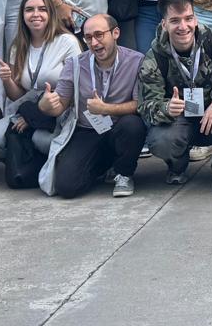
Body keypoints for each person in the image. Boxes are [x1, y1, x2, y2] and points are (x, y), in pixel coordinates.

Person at [137, 0, 212, 195]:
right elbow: (146, 106)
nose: (183, 27)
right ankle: (177, 166)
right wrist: (166, 108)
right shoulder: (154, 58)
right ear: (164, 24)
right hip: (180, 121)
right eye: (175, 21)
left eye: (188, 18)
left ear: (195, 19)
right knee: (160, 140)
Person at [35, 14, 147, 198]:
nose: (94, 43)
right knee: (66, 187)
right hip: (87, 130)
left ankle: (124, 173)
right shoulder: (75, 64)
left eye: (99, 35)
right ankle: (102, 166)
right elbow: (59, 105)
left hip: (119, 128)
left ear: (116, 33)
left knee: (133, 125)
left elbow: (139, 105)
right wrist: (45, 104)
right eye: (88, 38)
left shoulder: (136, 61)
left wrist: (105, 109)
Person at [0, 0, 80, 186]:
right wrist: (7, 80)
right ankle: (28, 161)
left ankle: (38, 161)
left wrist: (34, 116)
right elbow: (17, 95)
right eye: (29, 10)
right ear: (22, 15)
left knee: (43, 141)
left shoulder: (66, 42)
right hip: (27, 105)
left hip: (60, 106)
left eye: (42, 9)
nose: (36, 14)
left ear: (51, 13)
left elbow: (76, 88)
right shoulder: (18, 46)